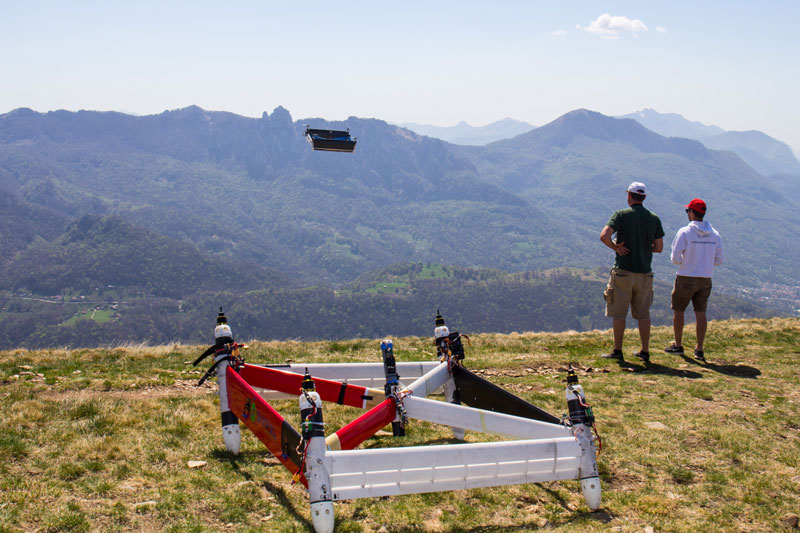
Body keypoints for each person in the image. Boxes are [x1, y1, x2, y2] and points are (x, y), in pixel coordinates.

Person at [599, 182, 664, 363]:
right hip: (644, 274)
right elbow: (659, 248)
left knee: (619, 314)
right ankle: (645, 351)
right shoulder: (654, 218)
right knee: (643, 314)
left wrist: (616, 247)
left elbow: (604, 236)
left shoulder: (621, 215)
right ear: (644, 197)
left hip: (623, 272)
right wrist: (644, 247)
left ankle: (618, 350)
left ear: (629, 195)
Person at [664, 198, 723, 362]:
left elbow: (675, 258)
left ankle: (678, 344)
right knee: (701, 312)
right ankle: (699, 348)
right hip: (705, 278)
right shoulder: (714, 234)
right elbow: (719, 260)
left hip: (686, 276)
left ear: (691, 212)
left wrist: (687, 261)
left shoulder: (685, 232)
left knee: (679, 310)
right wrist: (705, 263)